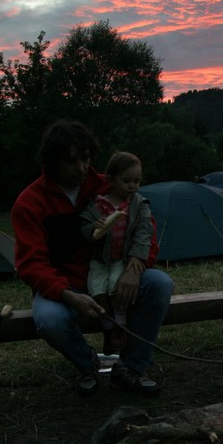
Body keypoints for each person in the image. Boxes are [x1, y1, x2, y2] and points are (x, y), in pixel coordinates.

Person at [12, 120, 174, 399]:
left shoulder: (106, 186)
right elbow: (31, 264)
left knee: (159, 283)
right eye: (71, 161)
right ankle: (89, 365)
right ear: (52, 162)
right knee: (49, 319)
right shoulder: (30, 203)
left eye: (85, 158)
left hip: (115, 274)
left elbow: (145, 226)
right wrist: (67, 294)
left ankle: (131, 368)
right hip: (66, 286)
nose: (81, 168)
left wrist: (136, 267)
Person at [80, 151, 153, 356]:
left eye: (137, 181)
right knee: (97, 289)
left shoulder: (138, 204)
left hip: (121, 259)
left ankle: (120, 326)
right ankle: (108, 326)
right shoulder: (97, 204)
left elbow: (145, 230)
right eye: (127, 181)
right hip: (99, 260)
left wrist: (137, 256)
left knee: (116, 288)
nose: (132, 186)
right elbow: (84, 230)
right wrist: (94, 229)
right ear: (111, 180)